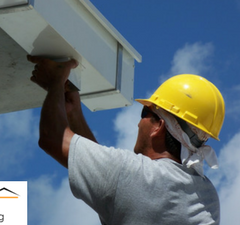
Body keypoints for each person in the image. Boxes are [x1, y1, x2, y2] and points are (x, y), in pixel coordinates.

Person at [27, 55, 224, 225]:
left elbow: (52, 138)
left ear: (159, 126)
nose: (139, 124)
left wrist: (55, 82)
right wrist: (74, 114)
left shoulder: (135, 176)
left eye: (145, 113)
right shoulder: (208, 198)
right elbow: (113, 183)